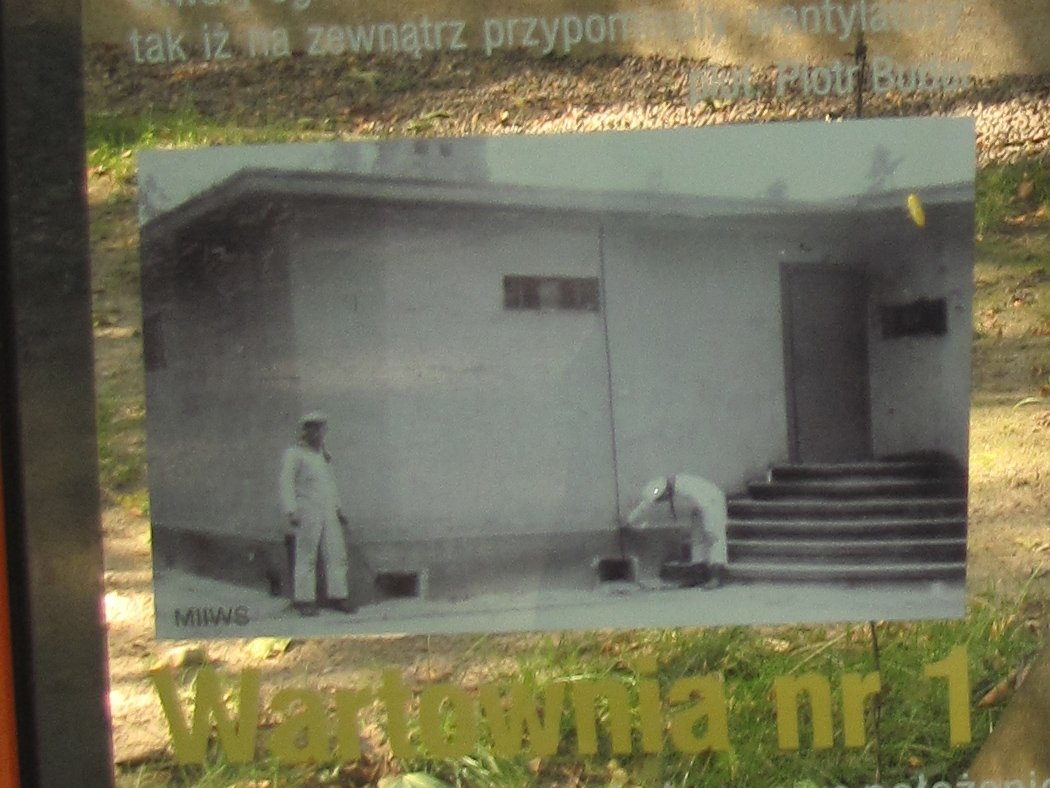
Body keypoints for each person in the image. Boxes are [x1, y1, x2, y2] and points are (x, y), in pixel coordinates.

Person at [279, 412, 356, 616]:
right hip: (307, 510)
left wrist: (339, 509)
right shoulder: (294, 454)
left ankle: (338, 597)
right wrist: (291, 510)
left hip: (329, 511)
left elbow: (330, 484)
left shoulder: (323, 455)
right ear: (305, 431)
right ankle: (305, 601)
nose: (317, 433)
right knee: (306, 556)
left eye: (320, 429)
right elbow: (286, 482)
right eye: (312, 428)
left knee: (336, 555)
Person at [625, 474, 729, 589]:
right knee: (696, 539)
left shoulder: (686, 487)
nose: (661, 501)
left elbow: (705, 505)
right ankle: (698, 575)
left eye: (661, 498)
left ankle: (716, 577)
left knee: (713, 537)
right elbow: (645, 505)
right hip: (696, 507)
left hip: (711, 501)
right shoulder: (660, 488)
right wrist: (631, 519)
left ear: (666, 492)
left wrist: (709, 527)